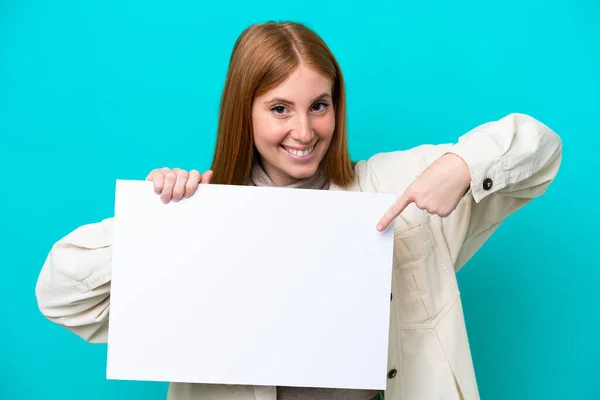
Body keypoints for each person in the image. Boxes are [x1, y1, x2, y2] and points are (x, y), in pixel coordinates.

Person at [35, 20, 563, 400]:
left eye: (320, 105)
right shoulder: (202, 219)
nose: (305, 132)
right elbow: (59, 293)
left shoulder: (395, 189)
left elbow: (540, 147)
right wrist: (157, 221)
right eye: (280, 109)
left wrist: (460, 166)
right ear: (245, 112)